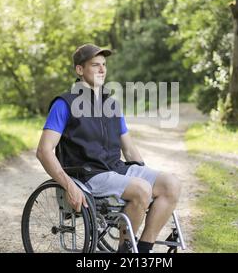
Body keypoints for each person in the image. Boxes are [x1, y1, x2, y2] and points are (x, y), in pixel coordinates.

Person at [36, 43, 181, 253]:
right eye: (95, 65)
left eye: (104, 65)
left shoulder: (111, 104)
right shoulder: (64, 104)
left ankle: (142, 249)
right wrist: (69, 185)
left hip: (115, 169)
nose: (102, 70)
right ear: (79, 70)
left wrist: (145, 175)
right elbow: (44, 151)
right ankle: (124, 254)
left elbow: (129, 150)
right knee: (141, 189)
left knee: (171, 184)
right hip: (88, 175)